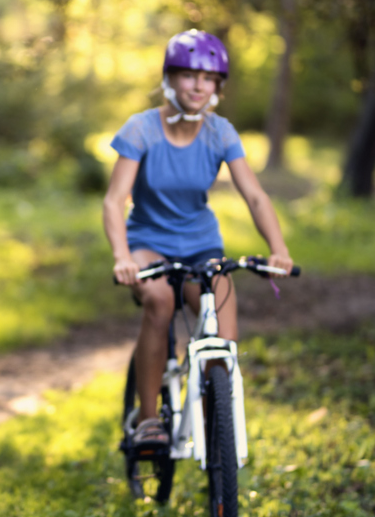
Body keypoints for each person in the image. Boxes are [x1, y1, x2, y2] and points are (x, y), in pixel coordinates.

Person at [103, 29, 293, 443]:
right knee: (160, 300)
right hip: (147, 243)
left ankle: (216, 421)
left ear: (218, 87)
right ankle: (149, 420)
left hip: (202, 245)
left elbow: (256, 197)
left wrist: (278, 249)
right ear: (169, 79)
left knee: (222, 332)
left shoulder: (220, 132)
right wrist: (123, 256)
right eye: (188, 75)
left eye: (208, 79)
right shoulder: (141, 129)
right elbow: (114, 201)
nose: (198, 86)